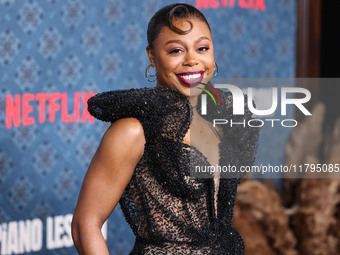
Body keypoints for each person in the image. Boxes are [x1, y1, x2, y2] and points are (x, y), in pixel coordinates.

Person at [71, 3, 260, 255]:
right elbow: (85, 224)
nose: (192, 60)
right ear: (152, 56)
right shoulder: (133, 131)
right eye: (176, 50)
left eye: (202, 48)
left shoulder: (222, 121)